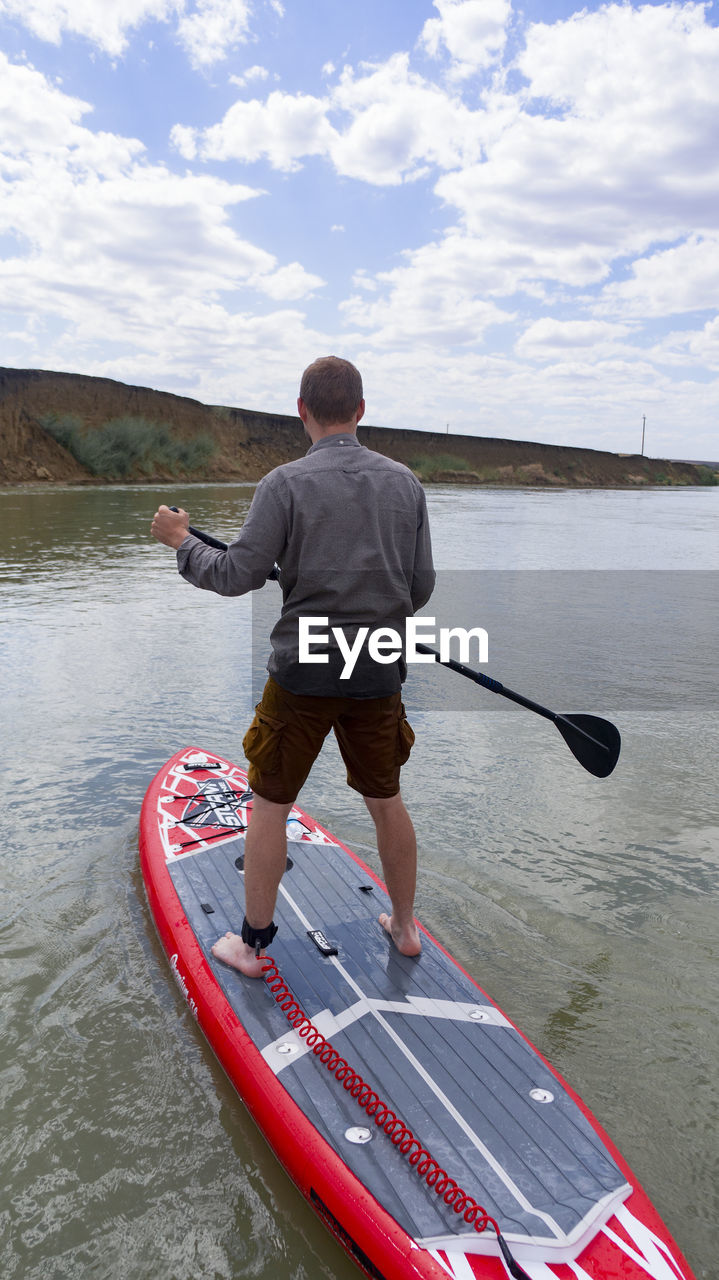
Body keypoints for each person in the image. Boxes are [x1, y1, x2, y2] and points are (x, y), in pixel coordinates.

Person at [151, 356, 435, 976]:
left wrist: (181, 541)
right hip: (377, 669)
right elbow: (419, 588)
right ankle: (406, 928)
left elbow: (235, 574)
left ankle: (250, 945)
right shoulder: (406, 484)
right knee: (386, 800)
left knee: (272, 805)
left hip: (302, 674)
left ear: (301, 411)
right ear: (361, 411)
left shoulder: (283, 483)